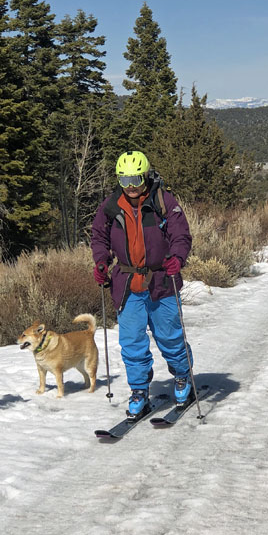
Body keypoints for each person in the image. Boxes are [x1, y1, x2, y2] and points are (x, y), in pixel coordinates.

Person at [91, 150, 194, 419]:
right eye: (124, 180)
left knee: (170, 338)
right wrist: (101, 262)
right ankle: (138, 391)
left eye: (136, 179)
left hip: (162, 280)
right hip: (127, 283)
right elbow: (99, 238)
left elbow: (181, 235)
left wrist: (177, 259)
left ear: (145, 175)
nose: (131, 186)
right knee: (132, 342)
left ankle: (183, 377)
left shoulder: (163, 200)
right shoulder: (111, 206)